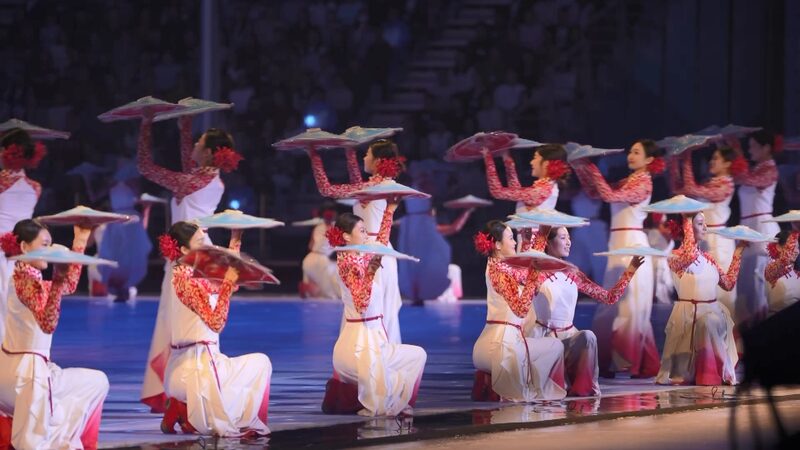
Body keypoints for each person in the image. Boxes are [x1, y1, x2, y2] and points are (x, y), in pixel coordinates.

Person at [138, 110, 243, 412]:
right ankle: (187, 387)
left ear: (209, 151)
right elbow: (188, 163)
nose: (193, 145)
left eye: (198, 141)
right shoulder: (204, 179)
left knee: (186, 325)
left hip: (191, 256)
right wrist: (185, 125)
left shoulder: (192, 182)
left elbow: (145, 167)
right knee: (184, 325)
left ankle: (191, 386)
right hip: (191, 251)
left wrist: (146, 124)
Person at [0, 220, 108, 449]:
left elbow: (67, 287)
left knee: (95, 381)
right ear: (24, 246)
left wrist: (80, 240)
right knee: (94, 384)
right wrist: (58, 279)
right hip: (27, 377)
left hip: (13, 370)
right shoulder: (26, 280)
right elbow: (48, 323)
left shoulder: (24, 274)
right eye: (44, 244)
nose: (49, 251)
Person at [159, 221, 271, 436]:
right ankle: (188, 411)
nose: (207, 247)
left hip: (183, 368)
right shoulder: (189, 279)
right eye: (201, 242)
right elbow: (216, 322)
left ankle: (183, 408)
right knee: (260, 365)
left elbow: (222, 282)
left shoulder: (185, 274)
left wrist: (235, 240)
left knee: (255, 365)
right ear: (184, 249)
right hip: (198, 370)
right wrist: (228, 284)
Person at [322, 199, 426, 416]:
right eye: (362, 230)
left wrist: (390, 210)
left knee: (417, 355)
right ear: (347, 236)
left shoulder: (361, 256)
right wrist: (371, 271)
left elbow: (381, 240)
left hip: (373, 341)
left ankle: (394, 398)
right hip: (359, 347)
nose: (366, 233)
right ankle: (386, 399)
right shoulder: (348, 262)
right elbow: (361, 303)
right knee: (379, 404)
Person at [572, 140, 664, 378]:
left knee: (630, 307)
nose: (630, 155)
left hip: (632, 244)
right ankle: (608, 360)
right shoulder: (630, 180)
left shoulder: (644, 182)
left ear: (649, 160)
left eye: (637, 152)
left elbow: (609, 195)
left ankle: (627, 361)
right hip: (618, 243)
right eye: (630, 151)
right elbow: (595, 192)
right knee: (610, 304)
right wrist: (580, 165)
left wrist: (591, 166)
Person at [528, 225, 643, 396]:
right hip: (545, 338)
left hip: (567, 336)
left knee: (588, 336)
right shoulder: (536, 273)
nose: (568, 242)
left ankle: (583, 390)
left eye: (569, 237)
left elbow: (608, 297)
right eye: (562, 238)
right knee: (553, 350)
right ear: (548, 242)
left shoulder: (571, 272)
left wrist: (630, 270)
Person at [309, 139, 405, 343]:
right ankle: (370, 354)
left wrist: (314, 155)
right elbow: (356, 181)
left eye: (366, 153)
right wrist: (349, 151)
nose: (364, 157)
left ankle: (373, 354)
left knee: (371, 308)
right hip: (374, 248)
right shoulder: (379, 186)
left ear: (378, 161)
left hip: (373, 251)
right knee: (371, 307)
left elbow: (327, 190)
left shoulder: (374, 187)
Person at [471, 220, 567, 402]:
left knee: (554, 345)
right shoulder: (499, 272)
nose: (515, 242)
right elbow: (521, 309)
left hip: (502, 339)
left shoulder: (500, 265)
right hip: (500, 345)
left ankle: (534, 384)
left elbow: (527, 271)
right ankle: (534, 386)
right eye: (510, 238)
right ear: (498, 245)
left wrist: (538, 238)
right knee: (552, 347)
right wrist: (533, 277)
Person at [656, 212, 746, 385]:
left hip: (713, 313)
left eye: (704, 223)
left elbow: (728, 284)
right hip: (688, 318)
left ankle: (712, 373)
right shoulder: (675, 257)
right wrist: (688, 219)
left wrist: (739, 250)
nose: (705, 227)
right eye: (699, 223)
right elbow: (689, 255)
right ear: (687, 227)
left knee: (709, 322)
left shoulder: (708, 258)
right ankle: (702, 373)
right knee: (706, 323)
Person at [670, 146, 742, 316]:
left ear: (727, 163)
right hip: (704, 238)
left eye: (716, 158)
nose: (711, 161)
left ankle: (724, 333)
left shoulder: (727, 183)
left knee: (723, 292)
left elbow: (692, 189)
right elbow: (680, 190)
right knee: (704, 287)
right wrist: (675, 162)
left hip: (719, 239)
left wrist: (686, 158)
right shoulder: (709, 183)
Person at [0, 128, 45, 342]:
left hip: (3, 250)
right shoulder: (36, 187)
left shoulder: (2, 182)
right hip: (24, 252)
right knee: (18, 303)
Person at [733, 130, 780, 324]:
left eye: (753, 146)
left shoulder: (770, 170)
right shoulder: (754, 170)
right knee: (745, 285)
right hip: (747, 227)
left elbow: (747, 179)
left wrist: (736, 149)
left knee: (757, 282)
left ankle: (761, 333)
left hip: (761, 228)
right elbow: (740, 176)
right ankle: (748, 334)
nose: (749, 150)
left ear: (766, 148)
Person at [300, 200, 340, 299]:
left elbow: (310, 245)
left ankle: (309, 290)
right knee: (329, 295)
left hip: (308, 259)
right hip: (322, 261)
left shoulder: (317, 227)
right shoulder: (334, 227)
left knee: (316, 293)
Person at [765, 229, 800, 315]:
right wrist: (796, 230)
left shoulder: (796, 273)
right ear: (779, 247)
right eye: (792, 247)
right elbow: (784, 259)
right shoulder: (770, 270)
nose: (796, 251)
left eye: (798, 247)